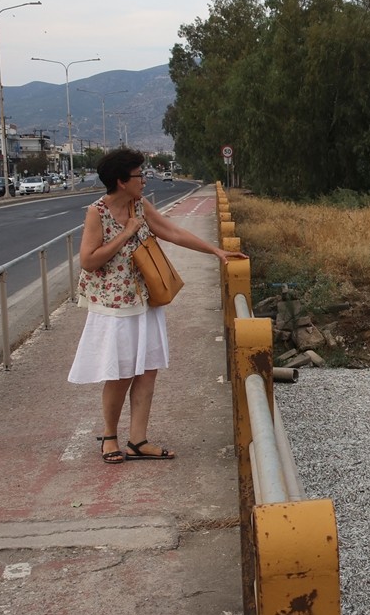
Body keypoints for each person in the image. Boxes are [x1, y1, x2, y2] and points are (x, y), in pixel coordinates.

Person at [68, 148, 247, 464]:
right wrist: (126, 234)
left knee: (148, 369)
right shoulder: (97, 213)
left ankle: (138, 439)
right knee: (120, 373)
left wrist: (217, 252)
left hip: (145, 299)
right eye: (139, 175)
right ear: (122, 181)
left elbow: (172, 231)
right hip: (114, 306)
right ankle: (110, 438)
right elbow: (88, 260)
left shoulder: (139, 205)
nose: (145, 181)